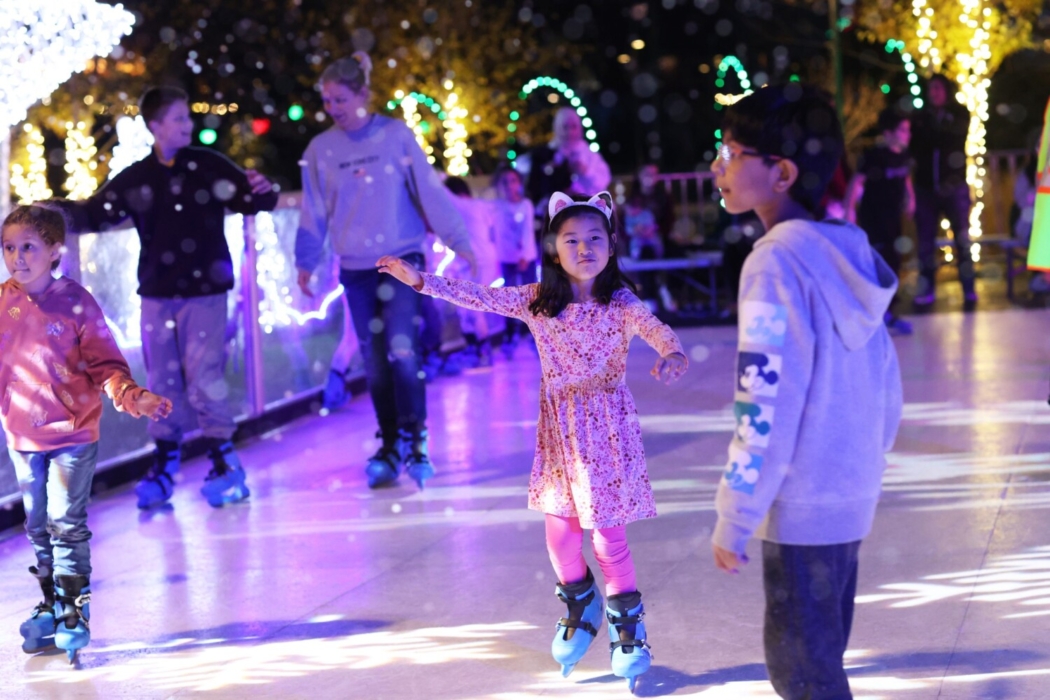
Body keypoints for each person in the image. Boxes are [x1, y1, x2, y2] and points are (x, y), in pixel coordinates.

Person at [377, 190, 688, 691]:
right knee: (560, 534)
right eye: (571, 240)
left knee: (609, 537)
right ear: (553, 250)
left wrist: (671, 352)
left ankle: (628, 628)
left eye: (594, 238)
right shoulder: (538, 302)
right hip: (559, 434)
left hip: (607, 430)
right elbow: (478, 295)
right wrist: (419, 281)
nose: (584, 248)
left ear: (611, 244)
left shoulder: (620, 302)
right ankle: (579, 599)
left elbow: (655, 328)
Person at [710, 84, 903, 700]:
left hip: (799, 509)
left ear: (782, 172)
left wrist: (735, 510)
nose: (718, 165)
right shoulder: (847, 254)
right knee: (821, 666)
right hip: (847, 496)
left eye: (732, 151)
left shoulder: (774, 264)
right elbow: (887, 385)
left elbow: (764, 400)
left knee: (803, 677)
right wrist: (862, 464)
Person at [53, 86, 278, 510]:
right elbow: (97, 213)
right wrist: (52, 214)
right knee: (162, 380)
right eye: (177, 119)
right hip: (158, 295)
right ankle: (164, 463)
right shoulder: (140, 177)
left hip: (205, 294)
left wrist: (267, 189)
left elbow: (254, 198)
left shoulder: (207, 166)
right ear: (155, 126)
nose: (187, 125)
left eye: (186, 118)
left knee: (205, 375)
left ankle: (224, 462)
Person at [295, 52, 476, 490]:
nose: (333, 107)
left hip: (402, 262)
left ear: (363, 94)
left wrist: (462, 244)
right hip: (356, 269)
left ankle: (416, 440)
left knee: (402, 350)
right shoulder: (321, 150)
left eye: (341, 98)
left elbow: (430, 193)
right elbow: (313, 212)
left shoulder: (395, 136)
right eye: (327, 100)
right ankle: (390, 443)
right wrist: (306, 261)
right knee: (374, 362)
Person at [2, 206, 172, 662]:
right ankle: (50, 604)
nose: (17, 257)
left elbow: (106, 365)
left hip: (73, 435)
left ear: (55, 251)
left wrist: (134, 397)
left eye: (28, 247)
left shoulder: (77, 301)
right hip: (21, 436)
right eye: (9, 247)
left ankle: (73, 610)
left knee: (66, 524)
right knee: (37, 525)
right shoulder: (3, 301)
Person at [846, 108, 916, 334]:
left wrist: (911, 198)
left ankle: (889, 312)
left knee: (894, 262)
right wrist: (850, 210)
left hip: (894, 217)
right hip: (874, 217)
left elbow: (905, 178)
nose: (907, 135)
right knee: (877, 263)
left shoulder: (903, 156)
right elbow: (857, 180)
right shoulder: (875, 156)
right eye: (903, 130)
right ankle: (873, 313)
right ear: (889, 133)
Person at [911, 74, 976, 307]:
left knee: (962, 240)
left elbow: (953, 139)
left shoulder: (958, 113)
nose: (934, 93)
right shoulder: (921, 116)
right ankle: (926, 289)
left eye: (938, 88)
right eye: (931, 89)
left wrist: (933, 136)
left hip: (954, 186)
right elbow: (917, 145)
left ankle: (969, 289)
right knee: (926, 242)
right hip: (926, 187)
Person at [444, 176, 504, 367]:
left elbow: (442, 193)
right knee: (471, 307)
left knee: (473, 307)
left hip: (477, 262)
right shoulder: (479, 206)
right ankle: (480, 349)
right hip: (480, 260)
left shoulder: (465, 206)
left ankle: (483, 351)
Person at [524, 107, 611, 215]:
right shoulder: (546, 154)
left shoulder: (589, 155)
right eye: (565, 127)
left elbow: (603, 181)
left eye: (573, 126)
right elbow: (536, 182)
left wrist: (585, 172)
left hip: (588, 212)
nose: (570, 132)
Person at [491, 165, 537, 352]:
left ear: (519, 183)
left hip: (528, 257)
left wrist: (525, 255)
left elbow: (527, 231)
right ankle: (510, 335)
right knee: (509, 297)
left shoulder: (526, 205)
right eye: (505, 182)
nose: (509, 186)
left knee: (531, 296)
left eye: (513, 180)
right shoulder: (497, 207)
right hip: (507, 258)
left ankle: (534, 334)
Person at [622, 164, 676, 310]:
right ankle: (653, 295)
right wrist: (635, 231)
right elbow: (624, 226)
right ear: (639, 176)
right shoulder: (631, 199)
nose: (650, 178)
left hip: (658, 239)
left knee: (659, 254)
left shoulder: (663, 197)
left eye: (654, 174)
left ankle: (660, 293)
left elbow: (669, 221)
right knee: (646, 254)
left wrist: (654, 230)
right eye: (647, 174)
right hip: (637, 242)